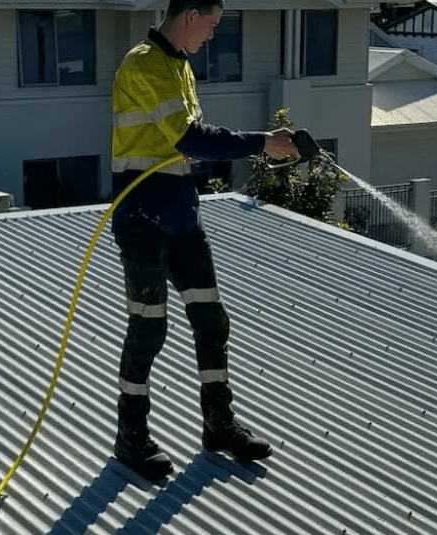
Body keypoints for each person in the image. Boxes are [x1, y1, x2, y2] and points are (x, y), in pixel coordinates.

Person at [110, 0, 298, 481]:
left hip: (181, 216)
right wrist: (264, 142)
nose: (212, 35)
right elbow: (191, 138)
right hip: (142, 218)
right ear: (189, 15)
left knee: (212, 321)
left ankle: (218, 423)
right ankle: (130, 437)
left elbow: (183, 144)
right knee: (149, 328)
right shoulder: (144, 64)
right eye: (211, 24)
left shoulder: (180, 67)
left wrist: (196, 150)